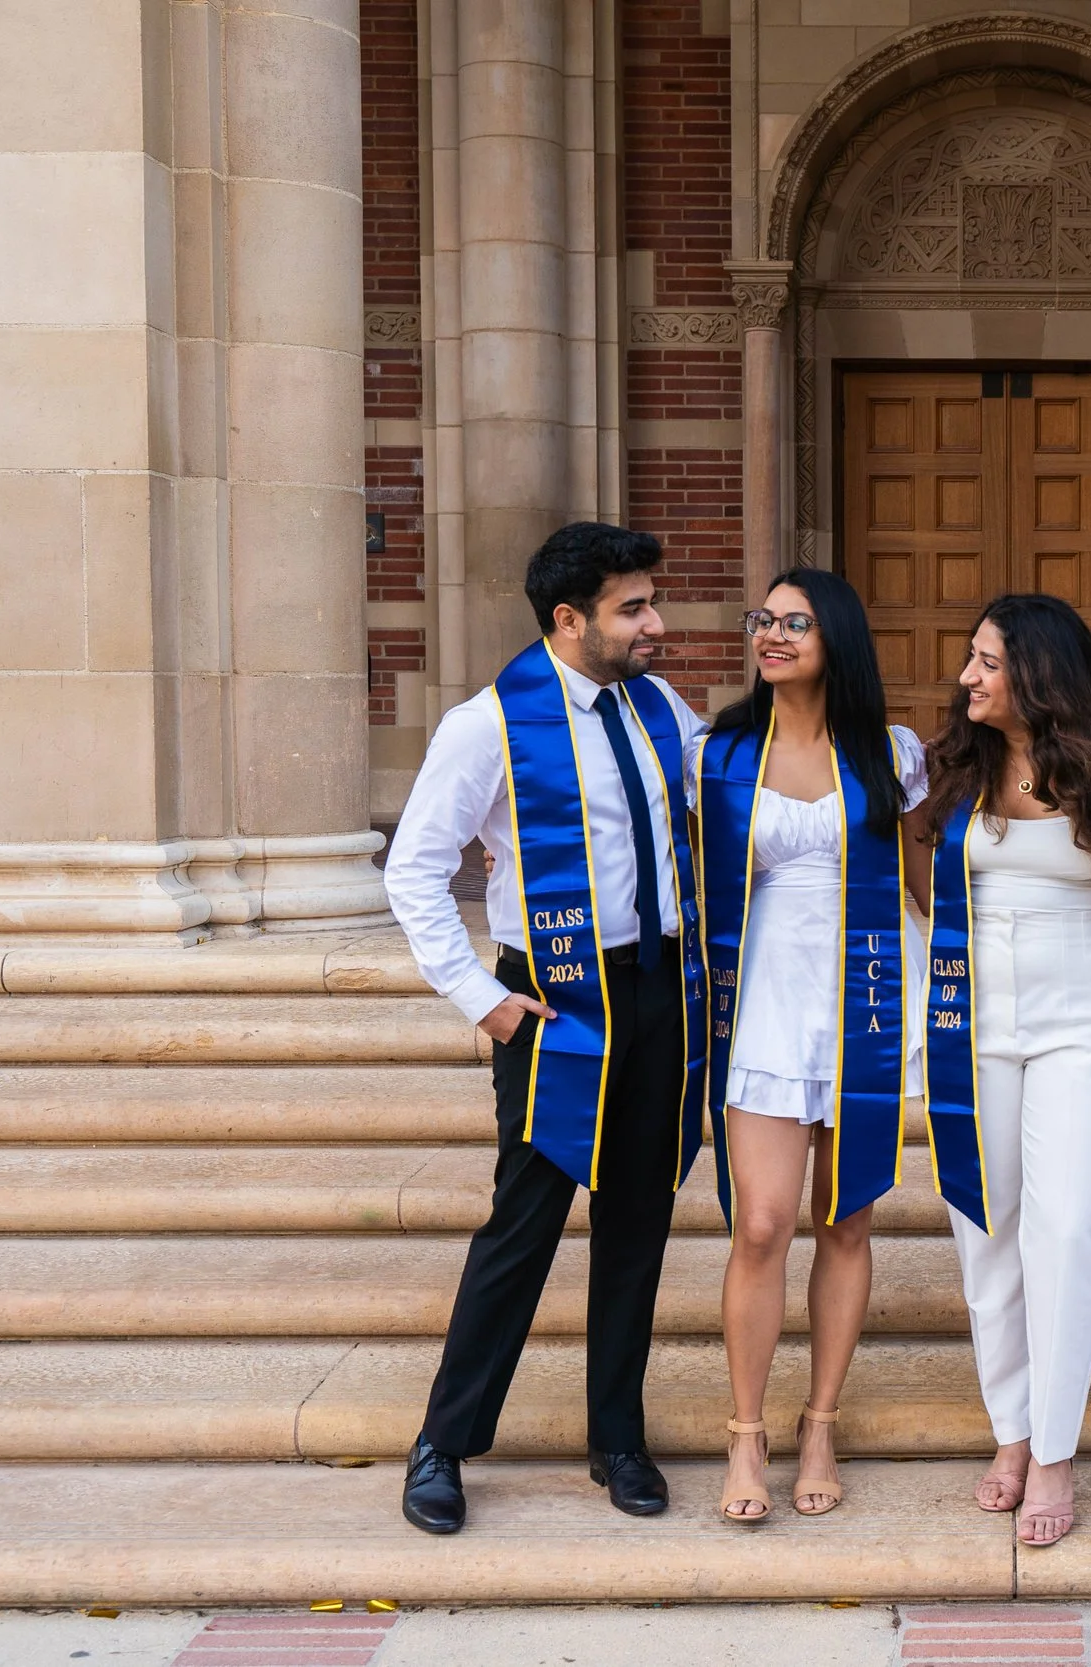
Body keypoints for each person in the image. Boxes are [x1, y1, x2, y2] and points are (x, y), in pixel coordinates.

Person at [384, 523, 708, 1535]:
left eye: (650, 601)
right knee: (521, 1227)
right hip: (560, 1000)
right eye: (633, 607)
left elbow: (718, 797)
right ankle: (444, 1441)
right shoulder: (486, 726)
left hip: (656, 990)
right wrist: (479, 995)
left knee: (637, 1224)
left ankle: (618, 1434)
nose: (654, 622)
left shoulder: (658, 705)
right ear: (570, 619)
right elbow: (416, 868)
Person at [696, 568, 931, 1524]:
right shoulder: (719, 751)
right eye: (764, 619)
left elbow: (931, 871)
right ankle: (745, 1434)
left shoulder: (892, 753)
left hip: (867, 993)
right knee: (762, 1223)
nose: (774, 635)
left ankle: (821, 1419)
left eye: (796, 622)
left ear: (836, 637)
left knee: (847, 1220)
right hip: (765, 996)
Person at [920, 594, 1091, 1549]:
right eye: (970, 658)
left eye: (986, 663)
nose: (967, 677)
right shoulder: (958, 766)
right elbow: (918, 878)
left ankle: (1055, 1448)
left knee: (1064, 1232)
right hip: (977, 1020)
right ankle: (1010, 1429)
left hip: (1084, 1022)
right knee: (988, 1228)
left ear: (1039, 676)